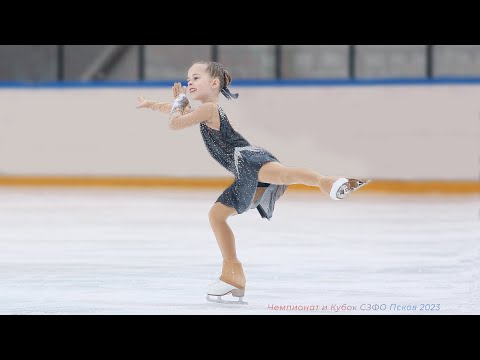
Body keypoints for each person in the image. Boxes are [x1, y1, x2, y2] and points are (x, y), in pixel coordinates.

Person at [136, 61, 370, 304]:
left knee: (285, 175)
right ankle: (232, 278)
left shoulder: (210, 109)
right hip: (242, 168)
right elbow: (175, 113)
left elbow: (175, 122)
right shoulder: (204, 112)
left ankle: (329, 183)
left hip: (247, 158)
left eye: (195, 78)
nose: (189, 83)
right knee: (217, 215)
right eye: (188, 79)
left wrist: (179, 103)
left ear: (213, 83)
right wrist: (152, 104)